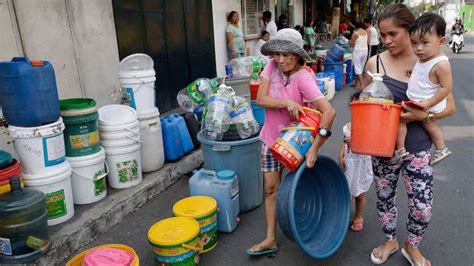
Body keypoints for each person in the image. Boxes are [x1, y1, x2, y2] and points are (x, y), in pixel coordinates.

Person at [361, 4, 456, 265]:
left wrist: (422, 116)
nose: (386, 41)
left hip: (419, 147)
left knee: (422, 207)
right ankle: (390, 239)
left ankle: (411, 245)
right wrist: (351, 135)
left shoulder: (428, 60)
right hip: (383, 148)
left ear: (409, 30)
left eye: (393, 34)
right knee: (384, 199)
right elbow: (363, 107)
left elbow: (450, 106)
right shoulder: (374, 63)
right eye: (382, 35)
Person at [246, 28, 336, 256]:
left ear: (297, 55)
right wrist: (286, 102)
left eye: (287, 55)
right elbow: (261, 98)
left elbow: (329, 112)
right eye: (277, 54)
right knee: (270, 189)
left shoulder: (305, 78)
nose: (281, 59)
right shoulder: (271, 66)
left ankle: (305, 227)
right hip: (270, 138)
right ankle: (270, 238)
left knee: (298, 190)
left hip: (296, 142)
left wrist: (315, 147)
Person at [395, 13, 452, 165]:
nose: (418, 48)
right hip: (418, 100)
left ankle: (441, 147)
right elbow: (423, 74)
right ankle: (400, 149)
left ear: (441, 41)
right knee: (402, 119)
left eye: (424, 43)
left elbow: (446, 88)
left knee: (426, 123)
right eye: (414, 43)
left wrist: (429, 103)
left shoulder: (441, 64)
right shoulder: (424, 58)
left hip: (427, 103)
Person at [338, 91, 374, 232]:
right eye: (354, 105)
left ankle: (358, 216)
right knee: (346, 192)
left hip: (361, 164)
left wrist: (354, 143)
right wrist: (341, 154)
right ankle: (343, 216)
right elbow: (344, 141)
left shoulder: (369, 126)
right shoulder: (348, 125)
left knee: (359, 194)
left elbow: (370, 146)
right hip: (350, 162)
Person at [350, 18, 368, 89]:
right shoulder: (365, 31)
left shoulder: (355, 33)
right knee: (361, 67)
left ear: (354, 25)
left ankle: (362, 84)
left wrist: (349, 41)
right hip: (365, 50)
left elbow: (351, 44)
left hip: (358, 50)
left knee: (357, 67)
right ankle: (356, 83)